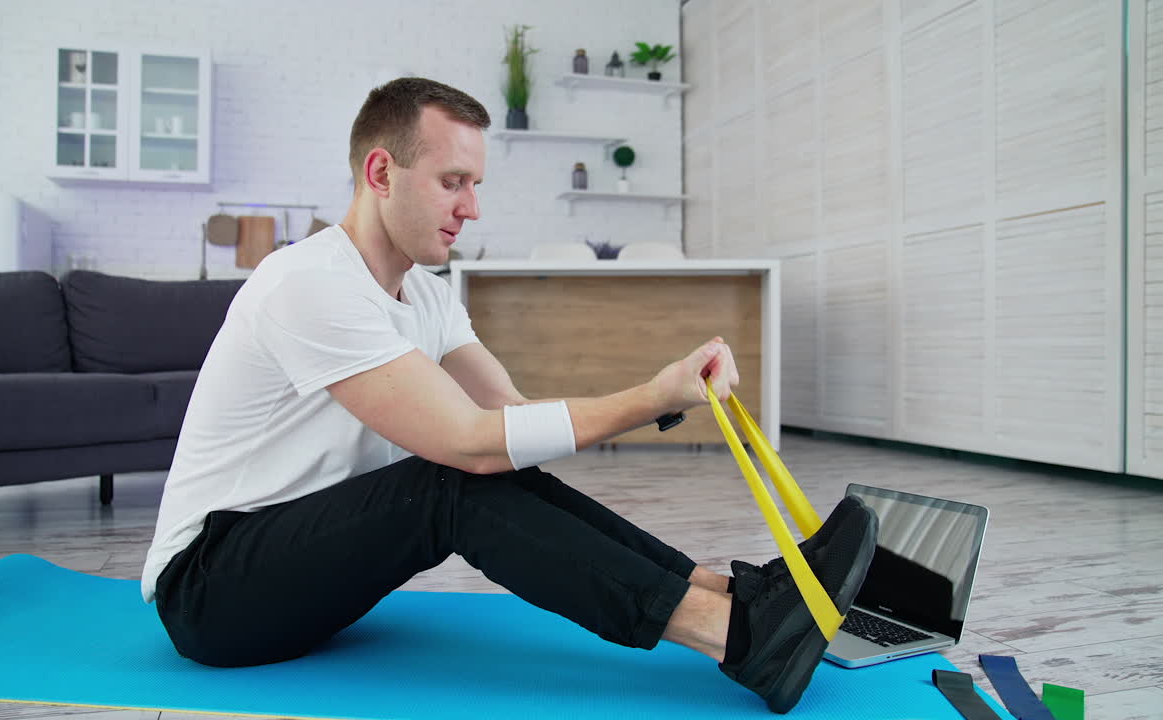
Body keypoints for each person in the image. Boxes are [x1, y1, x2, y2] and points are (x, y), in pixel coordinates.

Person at [141, 77, 877, 714]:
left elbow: (512, 423)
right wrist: (651, 398)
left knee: (498, 471)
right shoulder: (307, 282)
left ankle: (730, 596)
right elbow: (467, 444)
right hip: (211, 590)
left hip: (297, 572)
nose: (472, 208)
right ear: (380, 171)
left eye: (476, 185)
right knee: (450, 485)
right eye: (453, 181)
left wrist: (657, 390)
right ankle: (739, 639)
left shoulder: (427, 297)